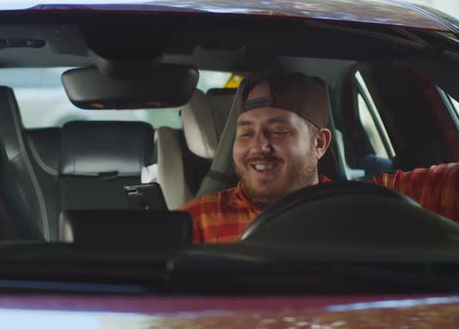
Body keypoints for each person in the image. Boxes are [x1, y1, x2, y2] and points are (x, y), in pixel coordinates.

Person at [179, 72, 459, 243]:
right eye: (245, 134)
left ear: (320, 143)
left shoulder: (377, 203)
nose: (258, 146)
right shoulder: (197, 221)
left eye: (278, 131)